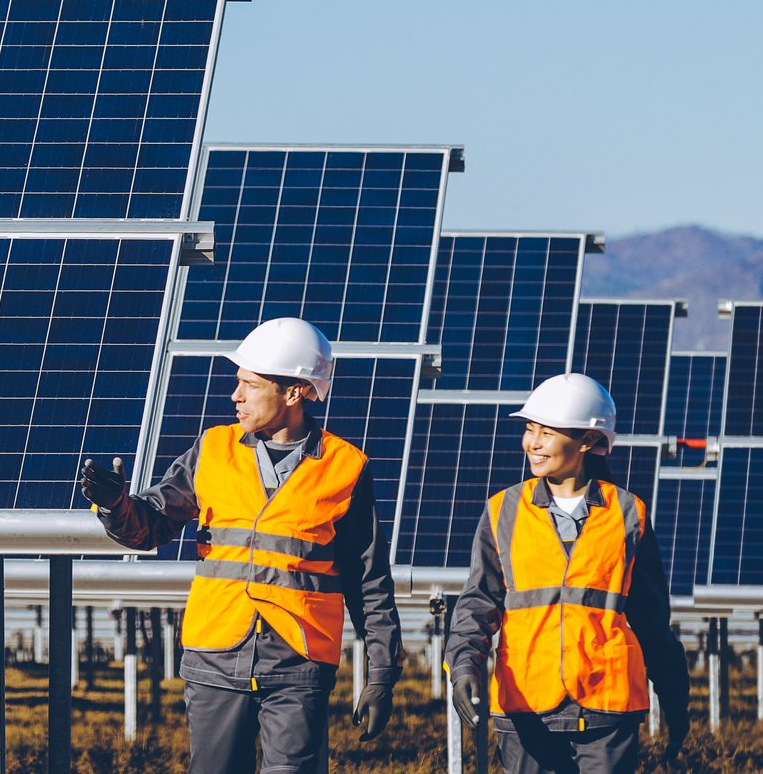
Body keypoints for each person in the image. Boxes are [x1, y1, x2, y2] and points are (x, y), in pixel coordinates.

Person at [79, 317, 402, 774]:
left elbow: (368, 581)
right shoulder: (212, 449)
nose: (235, 396)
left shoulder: (346, 467)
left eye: (249, 385)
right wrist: (116, 505)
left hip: (299, 661)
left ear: (294, 392)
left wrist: (381, 675)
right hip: (215, 655)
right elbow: (148, 527)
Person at [443, 372, 691, 773]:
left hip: (606, 709)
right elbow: (478, 603)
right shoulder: (502, 510)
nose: (532, 443)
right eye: (529, 429)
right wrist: (463, 666)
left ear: (588, 441)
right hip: (524, 702)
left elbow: (652, 620)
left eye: (546, 432)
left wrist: (675, 699)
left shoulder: (629, 513)